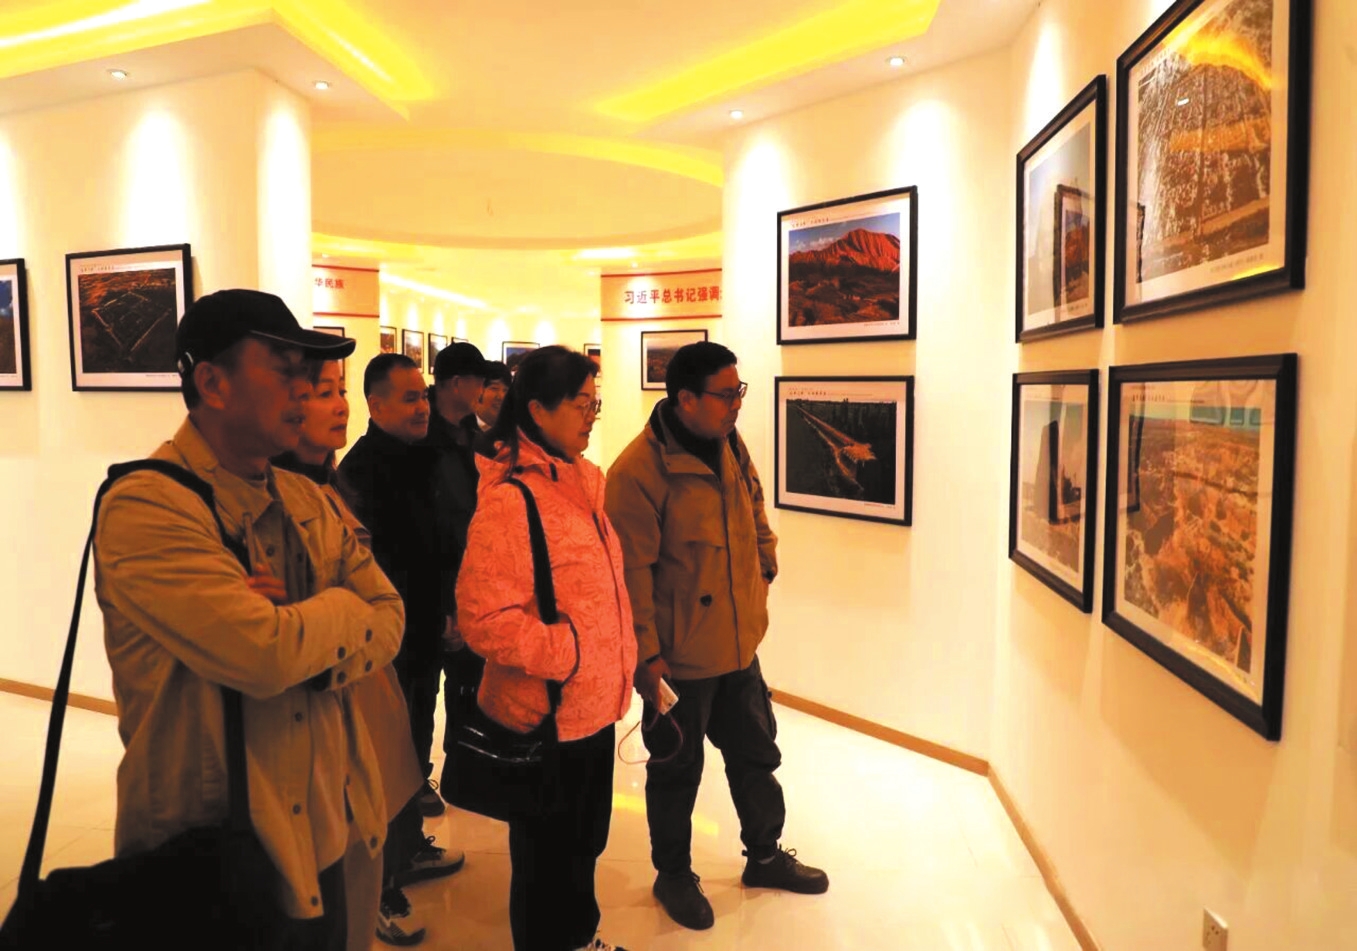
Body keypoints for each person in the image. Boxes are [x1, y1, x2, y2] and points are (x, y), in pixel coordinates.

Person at [94, 289, 404, 950]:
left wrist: (301, 628)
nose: (306, 390)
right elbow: (263, 655)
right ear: (213, 383)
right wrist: (341, 608)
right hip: (212, 858)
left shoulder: (304, 497)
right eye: (286, 371)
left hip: (328, 825)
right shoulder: (146, 506)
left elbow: (391, 615)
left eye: (312, 375)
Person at [604, 341, 829, 933]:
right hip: (677, 659)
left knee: (757, 754)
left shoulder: (729, 442)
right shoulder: (636, 473)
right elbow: (631, 576)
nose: (737, 404)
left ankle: (765, 855)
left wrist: (765, 563)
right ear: (685, 399)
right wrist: (647, 658)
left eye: (738, 391)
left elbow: (754, 505)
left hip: (737, 645)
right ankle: (673, 874)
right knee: (676, 771)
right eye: (726, 394)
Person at [457, 346, 633, 951]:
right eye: (581, 404)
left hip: (593, 708)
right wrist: (567, 653)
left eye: (594, 404)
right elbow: (482, 618)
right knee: (545, 860)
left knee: (584, 845)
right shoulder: (512, 499)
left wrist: (619, 658)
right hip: (550, 714)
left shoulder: (582, 482)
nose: (591, 417)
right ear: (537, 410)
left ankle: (579, 939)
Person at [273, 358, 428, 948]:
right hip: (325, 688)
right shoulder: (278, 495)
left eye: (340, 391)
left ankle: (380, 890)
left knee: (370, 812)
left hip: (366, 670)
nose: (338, 405)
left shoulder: (330, 482)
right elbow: (279, 624)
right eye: (322, 393)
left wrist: (349, 609)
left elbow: (380, 603)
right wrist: (349, 609)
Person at [337, 354, 465, 943]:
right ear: (375, 404)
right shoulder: (360, 473)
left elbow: (438, 543)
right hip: (384, 648)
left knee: (413, 749)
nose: (422, 407)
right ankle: (380, 888)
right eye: (410, 397)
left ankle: (409, 849)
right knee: (381, 767)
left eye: (424, 396)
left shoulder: (426, 456)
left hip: (425, 635)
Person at [419, 342, 487, 809]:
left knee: (469, 685)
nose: (484, 390)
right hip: (435, 587)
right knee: (422, 692)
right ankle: (416, 779)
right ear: (458, 383)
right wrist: (446, 601)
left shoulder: (472, 436)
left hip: (474, 581)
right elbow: (431, 525)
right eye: (479, 381)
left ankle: (465, 771)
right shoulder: (422, 439)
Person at [475, 360, 511, 430]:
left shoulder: (512, 430)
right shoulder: (465, 429)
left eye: (505, 390)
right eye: (494, 388)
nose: (501, 396)